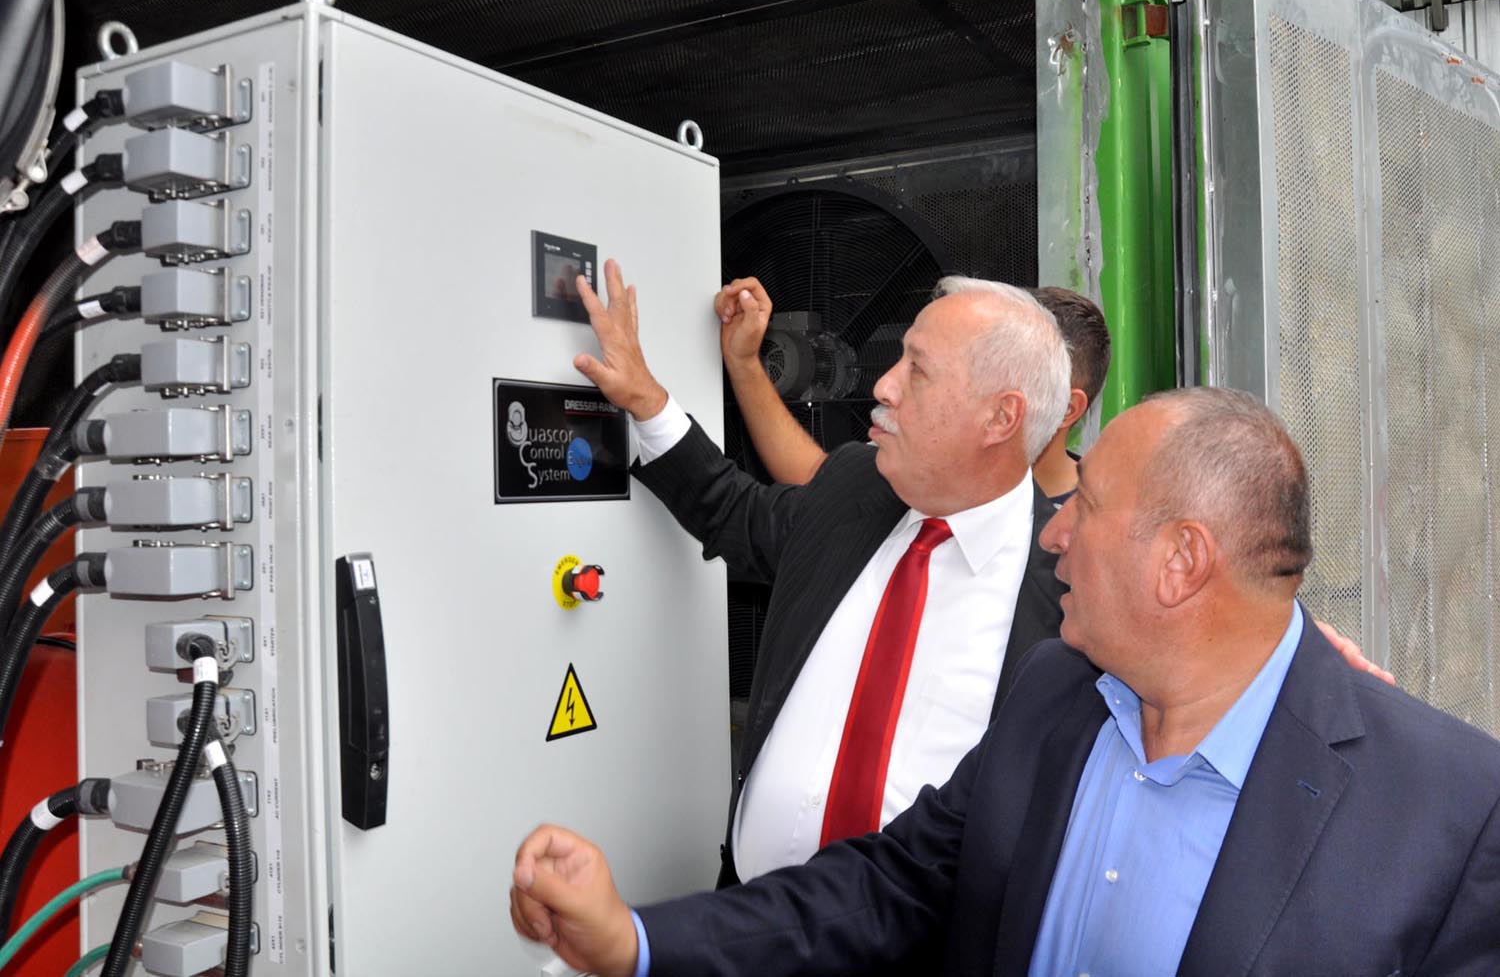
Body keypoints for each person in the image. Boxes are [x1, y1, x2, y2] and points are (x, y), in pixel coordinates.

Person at [510, 387, 1500, 977]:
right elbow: (886, 884)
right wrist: (636, 939)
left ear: (1181, 562)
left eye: (1085, 506)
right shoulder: (1054, 695)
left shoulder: (1449, 812)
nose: (1053, 532)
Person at [572, 260, 1073, 886]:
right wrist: (646, 400)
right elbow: (735, 513)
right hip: (747, 913)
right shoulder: (856, 487)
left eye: (917, 369)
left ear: (1001, 418)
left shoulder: (1070, 599)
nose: (884, 386)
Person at [713, 279, 1111, 503]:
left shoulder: (1082, 534)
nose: (885, 387)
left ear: (1067, 408)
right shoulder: (920, 464)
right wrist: (745, 362)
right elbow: (816, 482)